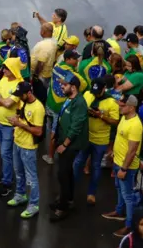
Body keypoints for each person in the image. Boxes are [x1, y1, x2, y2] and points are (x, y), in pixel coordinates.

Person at [73, 77, 119, 205]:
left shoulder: (112, 102)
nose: (96, 94)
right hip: (86, 136)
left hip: (100, 139)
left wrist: (101, 116)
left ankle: (92, 193)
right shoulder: (88, 94)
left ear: (104, 88)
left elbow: (115, 121)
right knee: (78, 163)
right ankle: (71, 188)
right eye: (94, 92)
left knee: (95, 166)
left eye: (98, 92)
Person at [103, 95, 143, 237]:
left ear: (131, 107)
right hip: (117, 162)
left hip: (127, 167)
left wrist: (124, 169)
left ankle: (130, 225)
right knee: (119, 189)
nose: (119, 107)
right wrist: (113, 152)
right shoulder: (124, 118)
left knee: (128, 196)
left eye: (122, 105)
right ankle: (119, 211)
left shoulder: (135, 125)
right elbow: (121, 139)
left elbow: (132, 150)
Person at [49, 74, 87, 222]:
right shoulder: (70, 99)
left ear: (73, 87)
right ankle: (68, 200)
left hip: (70, 145)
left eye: (64, 85)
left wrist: (65, 144)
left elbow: (76, 126)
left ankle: (63, 208)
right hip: (63, 141)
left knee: (63, 174)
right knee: (67, 172)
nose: (61, 87)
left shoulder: (79, 103)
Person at [8, 81, 44, 219]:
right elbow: (22, 117)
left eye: (20, 94)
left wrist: (19, 124)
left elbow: (39, 131)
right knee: (18, 172)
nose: (18, 97)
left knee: (31, 177)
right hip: (17, 142)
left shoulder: (38, 108)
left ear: (28, 93)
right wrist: (16, 119)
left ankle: (34, 204)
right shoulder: (23, 102)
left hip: (28, 146)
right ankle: (20, 195)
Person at [0, 58, 24, 197]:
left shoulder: (19, 85)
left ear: (13, 69)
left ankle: (7, 182)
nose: (3, 70)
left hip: (10, 126)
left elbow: (10, 103)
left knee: (6, 154)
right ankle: (6, 175)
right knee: (4, 153)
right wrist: (2, 101)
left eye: (6, 68)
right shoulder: (3, 79)